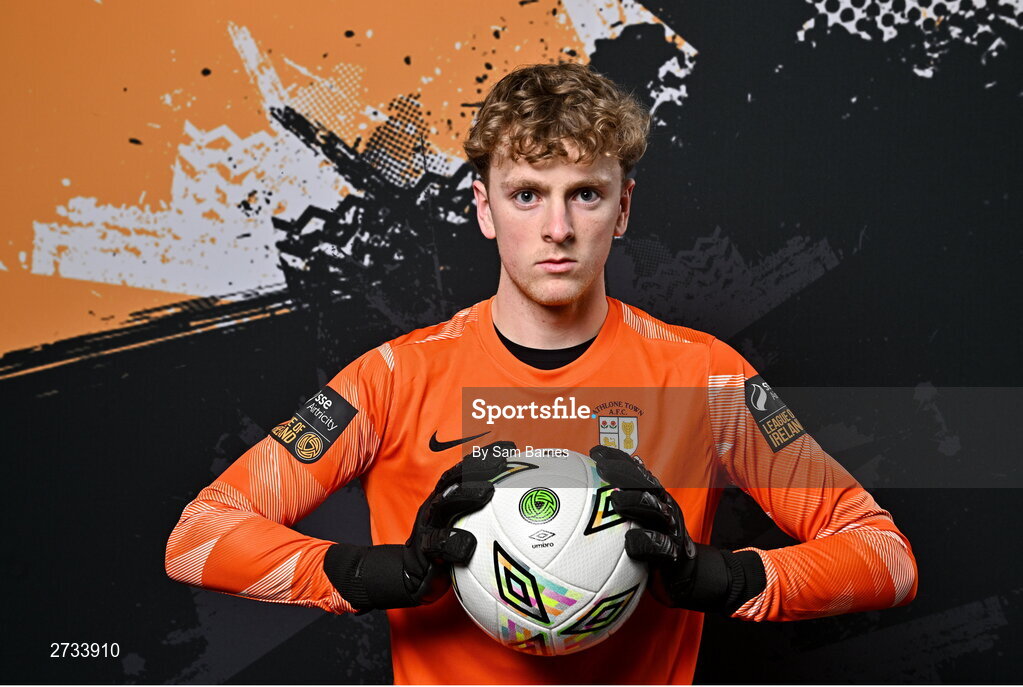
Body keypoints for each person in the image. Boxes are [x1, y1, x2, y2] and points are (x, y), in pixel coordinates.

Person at [166, 62, 917, 684]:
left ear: (622, 208)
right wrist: (376, 573)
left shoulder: (704, 377)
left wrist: (721, 578)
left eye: (583, 194)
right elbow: (198, 537)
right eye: (526, 194)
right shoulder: (391, 377)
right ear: (484, 208)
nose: (556, 229)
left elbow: (885, 558)